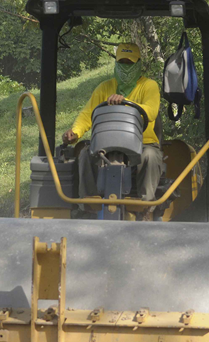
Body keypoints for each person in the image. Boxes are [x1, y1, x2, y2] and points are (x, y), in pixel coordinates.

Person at [62, 42, 164, 218]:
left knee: (151, 156)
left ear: (138, 64)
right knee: (85, 153)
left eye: (130, 63)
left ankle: (145, 207)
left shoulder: (149, 86)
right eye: (122, 63)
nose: (126, 67)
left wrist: (125, 102)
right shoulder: (104, 88)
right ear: (116, 64)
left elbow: (151, 111)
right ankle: (88, 205)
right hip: (106, 145)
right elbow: (88, 114)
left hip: (143, 144)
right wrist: (76, 132)